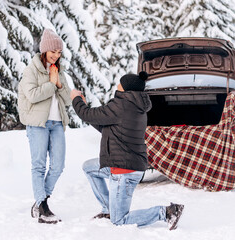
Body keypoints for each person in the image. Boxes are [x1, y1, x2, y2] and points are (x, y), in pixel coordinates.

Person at [70, 72, 184, 230]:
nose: (118, 85)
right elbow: (106, 127)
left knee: (119, 220)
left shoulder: (122, 105)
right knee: (89, 167)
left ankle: (166, 213)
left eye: (120, 83)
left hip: (123, 170)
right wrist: (87, 112)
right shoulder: (134, 106)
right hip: (125, 163)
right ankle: (108, 209)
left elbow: (86, 114)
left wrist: (76, 99)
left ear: (126, 88)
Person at [18, 28, 72, 224]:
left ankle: (41, 201)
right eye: (53, 52)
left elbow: (66, 100)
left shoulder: (58, 71)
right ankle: (42, 208)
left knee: (58, 166)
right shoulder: (31, 70)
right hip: (37, 124)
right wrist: (51, 83)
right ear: (44, 51)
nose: (56, 56)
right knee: (39, 166)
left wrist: (58, 84)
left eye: (59, 53)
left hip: (57, 124)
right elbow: (32, 95)